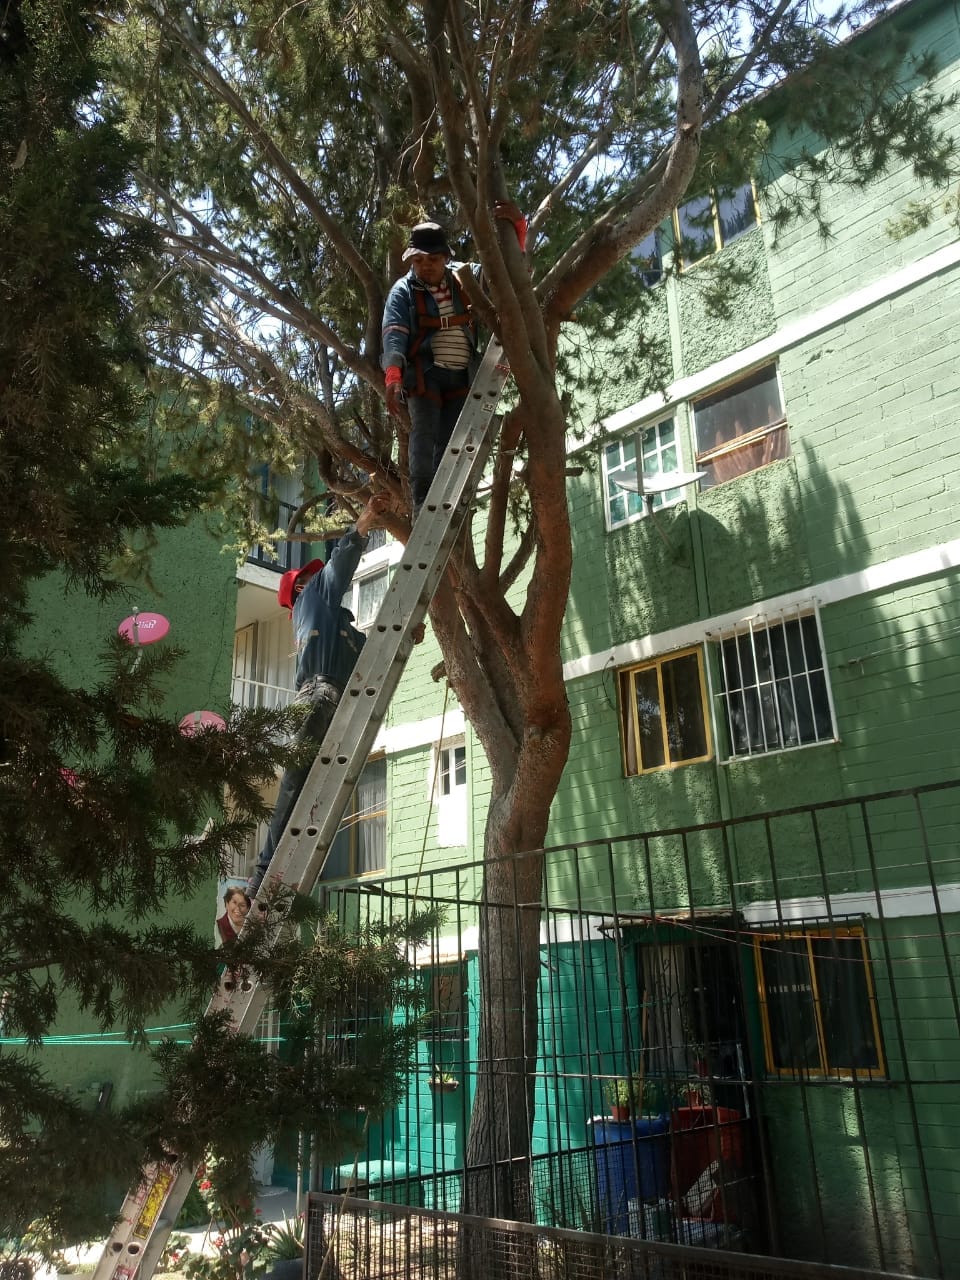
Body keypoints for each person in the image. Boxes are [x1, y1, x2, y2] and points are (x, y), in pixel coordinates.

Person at [246, 491, 391, 896]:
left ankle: (280, 875)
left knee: (307, 791)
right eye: (308, 577)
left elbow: (366, 656)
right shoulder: (313, 598)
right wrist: (363, 524)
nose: (316, 577)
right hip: (318, 698)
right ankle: (262, 875)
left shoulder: (333, 626)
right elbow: (339, 567)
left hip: (331, 701)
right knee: (294, 786)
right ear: (299, 591)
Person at [381, 202, 526, 517]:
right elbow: (394, 333)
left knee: (451, 445)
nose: (426, 267)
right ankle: (422, 508)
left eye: (432, 260)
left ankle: (447, 506)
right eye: (419, 261)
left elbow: (504, 274)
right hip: (425, 375)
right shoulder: (403, 292)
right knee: (423, 438)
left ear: (445, 258)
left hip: (462, 376)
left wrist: (518, 230)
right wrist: (393, 375)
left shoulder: (465, 278)